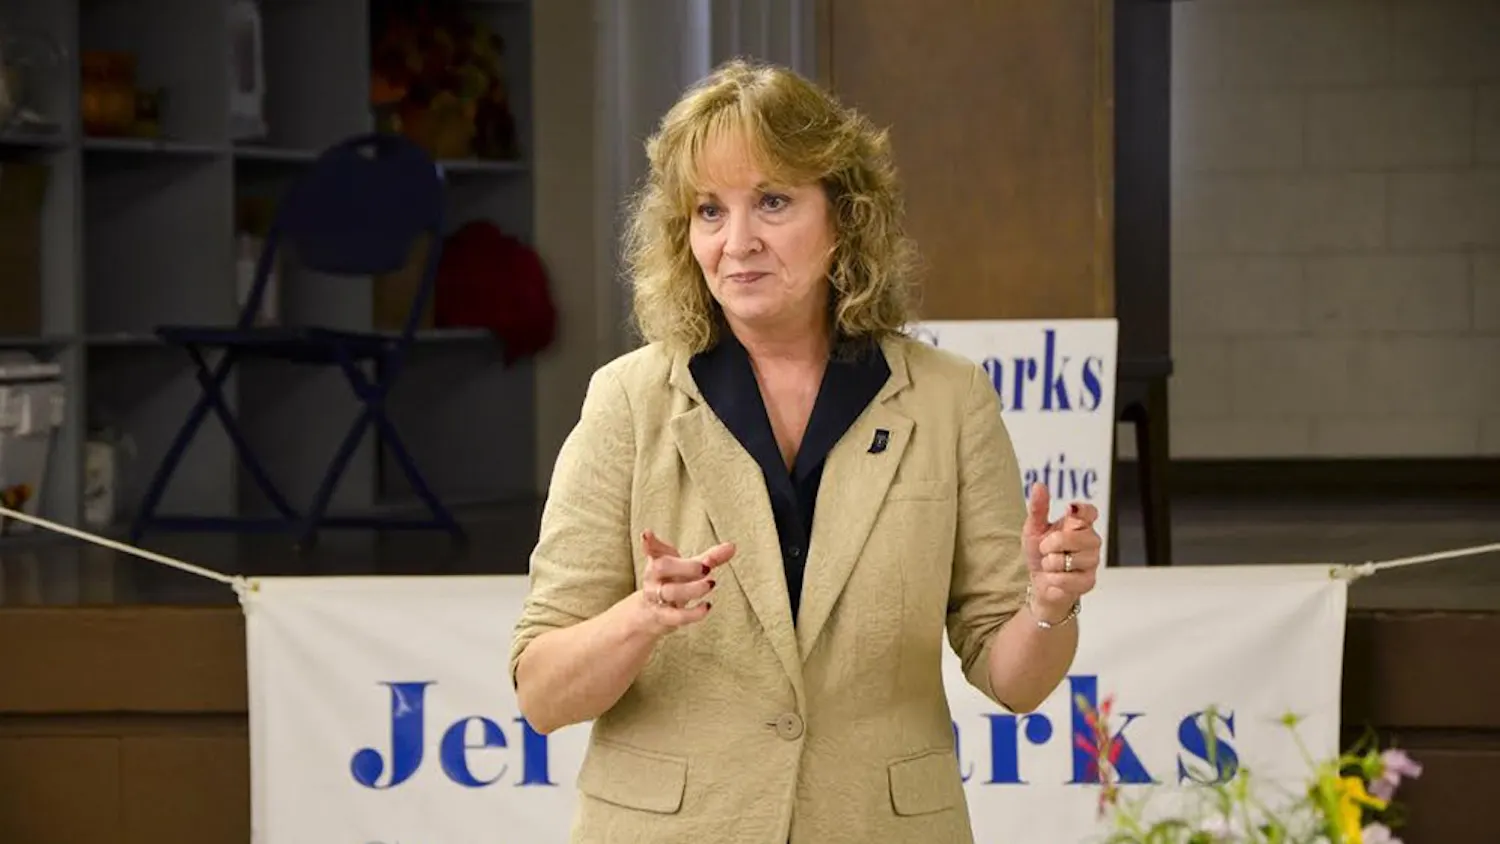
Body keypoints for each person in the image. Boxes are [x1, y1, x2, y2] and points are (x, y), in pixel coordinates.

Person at [509, 58, 1102, 844]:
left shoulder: (951, 399)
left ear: (846, 215)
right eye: (709, 212)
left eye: (773, 202)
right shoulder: (627, 400)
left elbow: (1013, 679)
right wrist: (642, 618)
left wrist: (1047, 608)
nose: (737, 242)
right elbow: (543, 695)